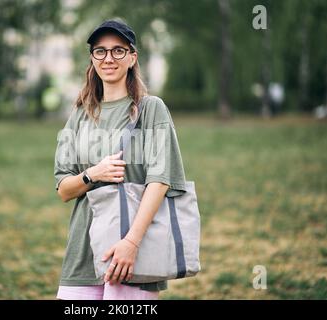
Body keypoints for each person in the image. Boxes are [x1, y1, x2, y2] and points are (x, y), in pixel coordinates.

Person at [54, 19, 188, 300]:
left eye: (118, 50)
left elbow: (160, 180)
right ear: (92, 59)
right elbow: (64, 190)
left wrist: (131, 243)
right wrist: (94, 173)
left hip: (133, 256)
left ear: (132, 57)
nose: (109, 58)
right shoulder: (80, 114)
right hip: (81, 257)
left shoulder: (151, 109)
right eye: (100, 51)